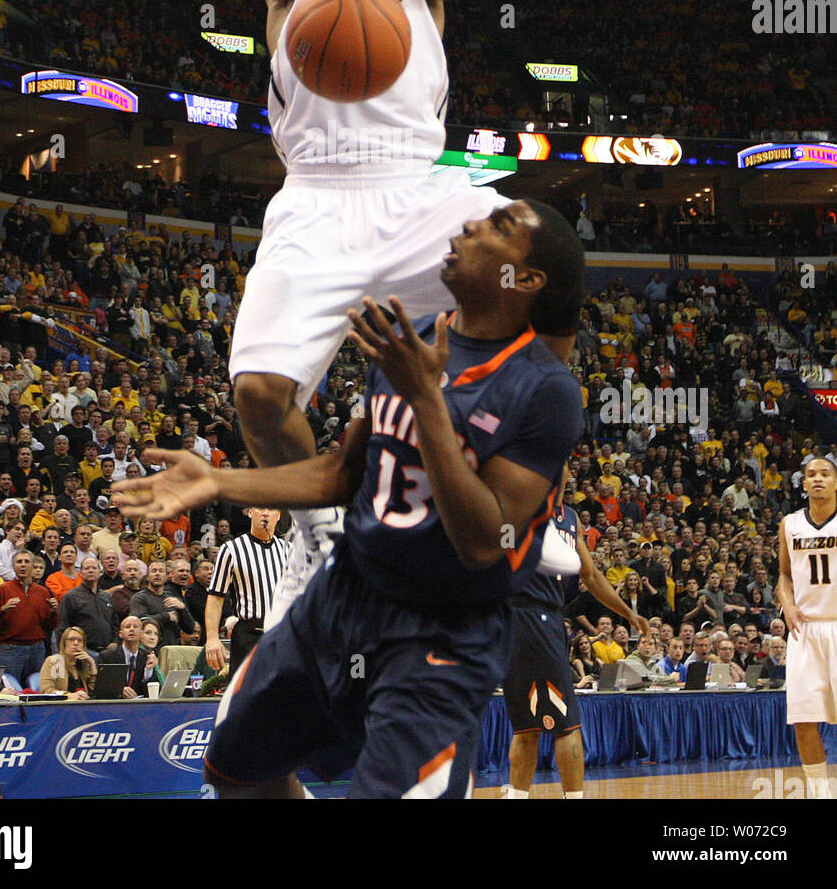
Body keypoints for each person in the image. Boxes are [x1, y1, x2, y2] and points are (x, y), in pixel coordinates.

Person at [116, 198, 585, 798]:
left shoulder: (545, 390)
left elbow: (483, 540)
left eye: (500, 227)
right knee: (235, 773)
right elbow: (342, 472)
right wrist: (221, 481)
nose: (469, 224)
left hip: (440, 632)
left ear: (526, 279)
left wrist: (426, 400)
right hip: (343, 599)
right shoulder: (409, 345)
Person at [227, 0, 511, 620]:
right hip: (314, 199)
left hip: (417, 190)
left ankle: (507, 491)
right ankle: (320, 540)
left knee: (529, 255)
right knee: (261, 394)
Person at [501, 464, 650, 801]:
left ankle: (517, 796)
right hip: (532, 615)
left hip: (525, 622)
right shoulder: (520, 505)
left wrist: (628, 613)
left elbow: (592, 576)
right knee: (567, 724)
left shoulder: (569, 517)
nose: (561, 467)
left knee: (526, 727)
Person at [778, 456, 837, 798]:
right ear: (803, 484)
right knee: (803, 720)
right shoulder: (789, 524)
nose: (817, 479)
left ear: (835, 482)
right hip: (805, 630)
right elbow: (784, 574)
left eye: (824, 474)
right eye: (811, 475)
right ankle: (820, 794)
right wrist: (787, 602)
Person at [205, 508, 288, 674]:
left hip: (284, 635)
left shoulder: (289, 550)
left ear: (278, 515)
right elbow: (215, 597)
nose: (265, 513)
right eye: (260, 508)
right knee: (247, 697)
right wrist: (212, 637)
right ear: (250, 512)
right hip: (249, 636)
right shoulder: (231, 549)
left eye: (270, 509)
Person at [0, 548, 57, 685]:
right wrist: (3, 609)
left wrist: (54, 611)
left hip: (37, 648)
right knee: (10, 688)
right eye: (19, 562)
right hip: (11, 648)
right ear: (13, 566)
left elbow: (49, 626)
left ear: (32, 566)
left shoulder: (43, 592)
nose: (23, 565)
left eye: (27, 561)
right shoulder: (3, 589)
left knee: (36, 690)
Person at [54, 555, 118, 656]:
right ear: (80, 573)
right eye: (87, 568)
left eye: (94, 568)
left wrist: (115, 642)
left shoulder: (106, 597)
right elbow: (63, 627)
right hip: (83, 652)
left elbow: (114, 623)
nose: (91, 571)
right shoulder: (71, 597)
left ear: (100, 572)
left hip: (107, 652)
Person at [99, 615, 160, 698]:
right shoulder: (107, 656)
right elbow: (101, 688)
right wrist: (119, 690)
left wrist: (148, 671)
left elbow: (152, 693)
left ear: (141, 633)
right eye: (127, 627)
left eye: (135, 627)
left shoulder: (147, 657)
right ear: (120, 634)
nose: (131, 629)